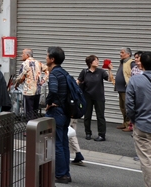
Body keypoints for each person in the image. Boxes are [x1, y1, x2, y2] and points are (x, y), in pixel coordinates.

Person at [45, 46, 72, 184]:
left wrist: (49, 102)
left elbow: (54, 90)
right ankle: (66, 173)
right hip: (66, 111)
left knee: (58, 144)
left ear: (52, 59)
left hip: (57, 111)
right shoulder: (64, 73)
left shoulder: (54, 73)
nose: (46, 58)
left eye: (47, 55)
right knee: (64, 143)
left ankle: (61, 174)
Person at [126, 51, 151, 186]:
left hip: (142, 124)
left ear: (142, 64)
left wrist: (134, 120)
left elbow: (129, 105)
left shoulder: (135, 80)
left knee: (146, 160)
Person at [78, 55, 114, 141]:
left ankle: (102, 135)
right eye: (95, 60)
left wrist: (110, 70)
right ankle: (88, 133)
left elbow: (109, 79)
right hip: (87, 97)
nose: (98, 62)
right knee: (87, 116)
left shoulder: (101, 72)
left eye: (98, 60)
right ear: (90, 62)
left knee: (100, 116)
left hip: (99, 97)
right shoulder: (84, 72)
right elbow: (78, 81)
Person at [16, 48, 44, 119]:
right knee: (35, 112)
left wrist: (17, 84)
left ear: (27, 55)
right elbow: (47, 70)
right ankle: (35, 128)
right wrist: (43, 80)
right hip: (37, 91)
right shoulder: (38, 63)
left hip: (28, 92)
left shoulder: (24, 64)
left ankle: (30, 128)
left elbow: (20, 77)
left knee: (28, 113)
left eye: (23, 54)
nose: (21, 55)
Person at [116, 47, 135, 132]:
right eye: (120, 52)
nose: (120, 54)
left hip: (126, 88)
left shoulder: (131, 63)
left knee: (127, 107)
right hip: (120, 89)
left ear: (128, 54)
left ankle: (129, 124)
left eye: (122, 52)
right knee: (122, 107)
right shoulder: (122, 62)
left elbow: (134, 74)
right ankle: (125, 123)